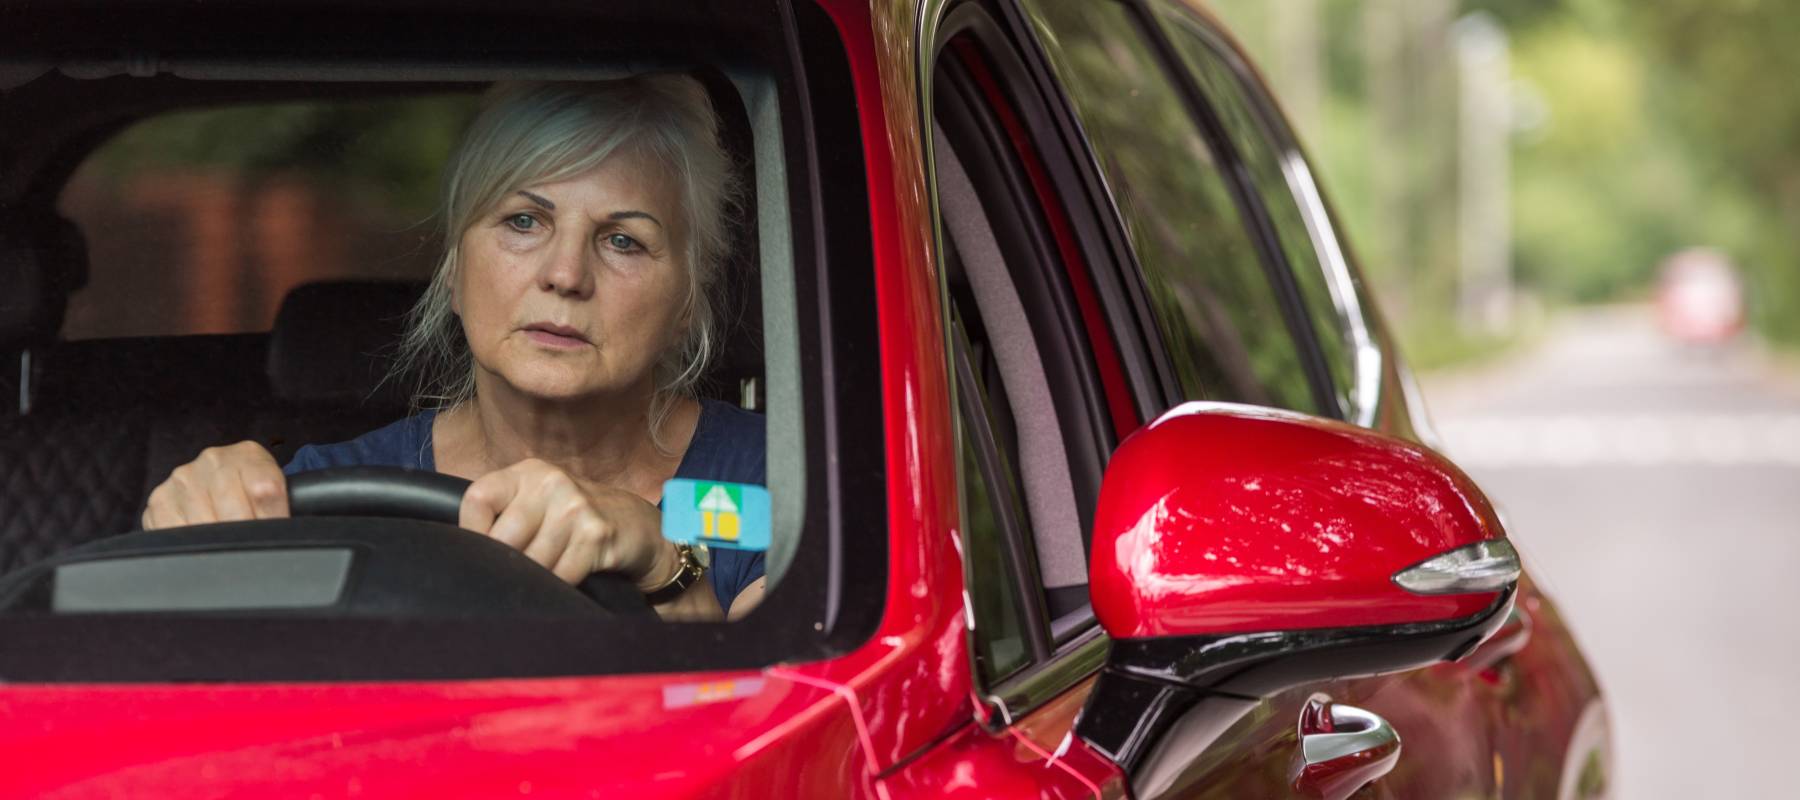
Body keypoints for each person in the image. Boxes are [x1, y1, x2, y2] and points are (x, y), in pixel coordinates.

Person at [140, 76, 764, 622]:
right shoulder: (322, 498)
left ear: (687, 304)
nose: (566, 274)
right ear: (452, 273)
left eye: (623, 240)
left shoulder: (789, 487)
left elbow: (793, 729)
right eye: (524, 221)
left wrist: (666, 565)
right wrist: (189, 540)